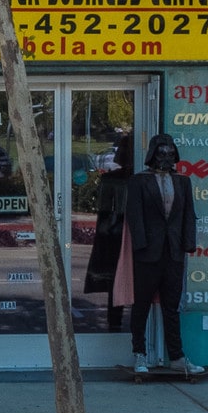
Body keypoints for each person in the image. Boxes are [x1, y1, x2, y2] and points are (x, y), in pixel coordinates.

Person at [125, 132, 206, 377]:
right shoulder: (140, 181)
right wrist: (141, 247)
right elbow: (134, 216)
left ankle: (177, 357)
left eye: (171, 154)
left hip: (174, 252)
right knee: (141, 305)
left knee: (172, 307)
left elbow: (188, 215)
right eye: (162, 153)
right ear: (152, 154)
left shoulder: (183, 181)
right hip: (148, 253)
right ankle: (139, 353)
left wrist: (188, 245)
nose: (166, 158)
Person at [81, 136, 134, 332]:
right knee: (115, 280)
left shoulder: (139, 179)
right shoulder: (112, 179)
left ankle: (128, 327)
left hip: (127, 234)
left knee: (131, 280)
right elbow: (104, 211)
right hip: (115, 235)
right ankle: (115, 323)